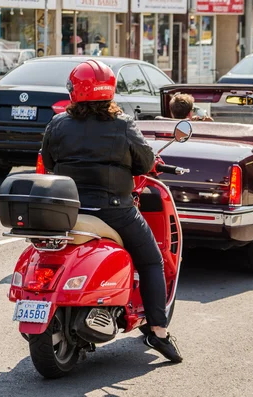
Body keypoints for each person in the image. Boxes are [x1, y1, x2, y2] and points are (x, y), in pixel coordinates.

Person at [41, 60, 182, 363]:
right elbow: (145, 163)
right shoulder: (122, 124)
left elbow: (49, 163)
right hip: (115, 210)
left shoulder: (58, 123)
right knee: (152, 260)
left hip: (70, 211)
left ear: (74, 90)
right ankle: (158, 330)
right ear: (110, 91)